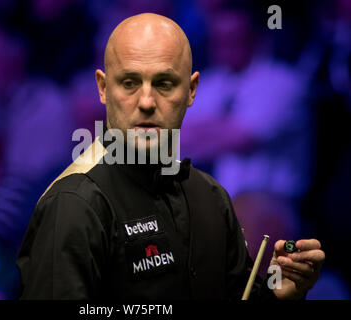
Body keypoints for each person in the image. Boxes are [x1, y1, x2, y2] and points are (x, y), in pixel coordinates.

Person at [16, 13, 325, 300]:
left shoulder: (212, 193)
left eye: (164, 84)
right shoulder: (73, 200)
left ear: (190, 90)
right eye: (130, 83)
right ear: (103, 88)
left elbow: (239, 136)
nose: (147, 102)